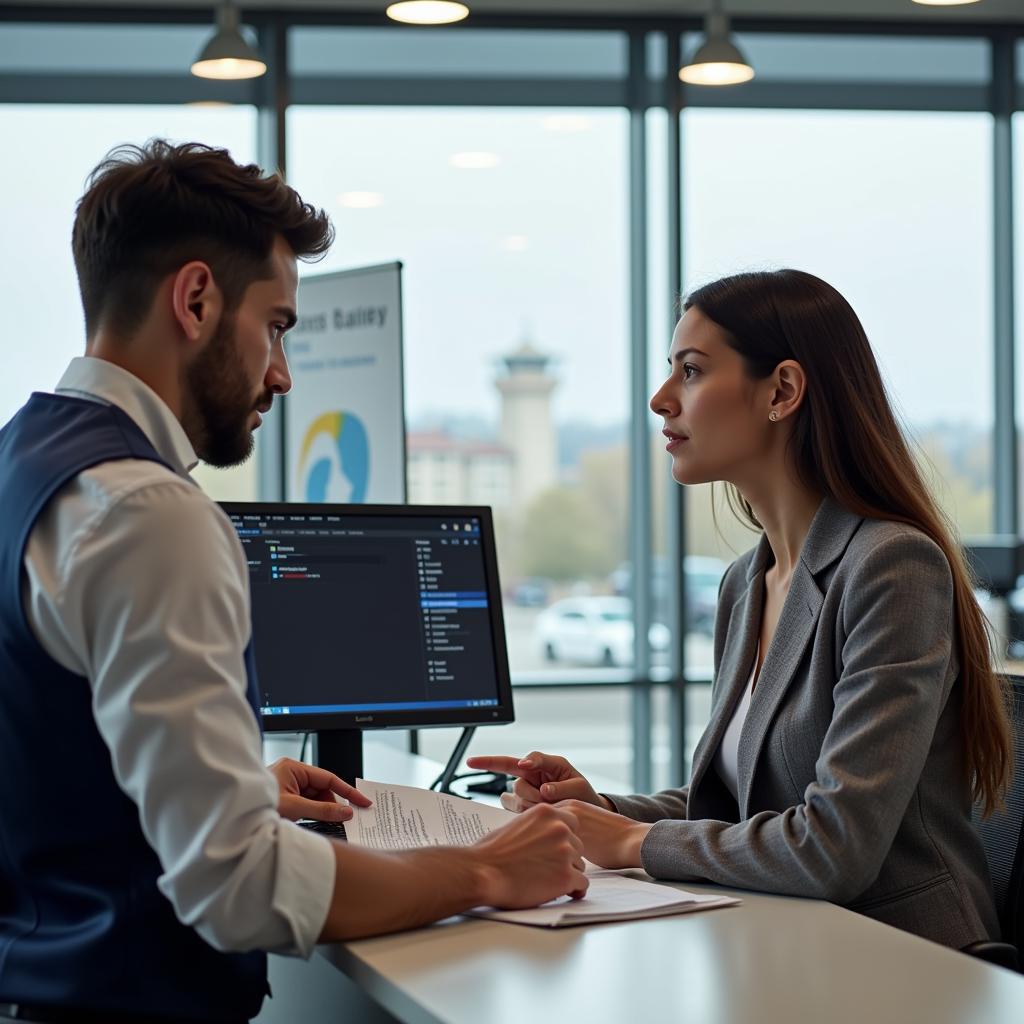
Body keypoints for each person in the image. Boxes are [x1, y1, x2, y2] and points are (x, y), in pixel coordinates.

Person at [0, 140, 587, 1024]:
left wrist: (235, 784)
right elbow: (238, 883)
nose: (281, 372)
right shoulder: (150, 512)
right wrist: (489, 868)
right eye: (275, 325)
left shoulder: (25, 465)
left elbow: (44, 752)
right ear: (196, 299)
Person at [470, 269, 1012, 951]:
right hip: (782, 943)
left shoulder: (892, 567)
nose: (660, 399)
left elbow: (832, 847)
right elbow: (750, 806)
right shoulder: (745, 582)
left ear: (782, 391)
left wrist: (632, 840)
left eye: (691, 372)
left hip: (905, 957)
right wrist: (600, 811)